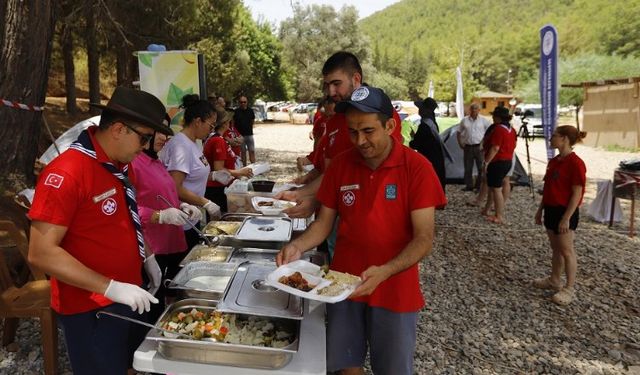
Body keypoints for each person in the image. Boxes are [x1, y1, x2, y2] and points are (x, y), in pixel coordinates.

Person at [277, 86, 446, 375]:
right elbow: (323, 224)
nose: (360, 140)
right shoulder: (342, 164)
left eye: (368, 131)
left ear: (390, 125)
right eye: (353, 132)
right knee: (345, 365)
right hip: (342, 286)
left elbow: (424, 238)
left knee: (393, 368)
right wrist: (298, 246)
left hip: (394, 288)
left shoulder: (416, 168)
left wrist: (386, 270)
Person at [27, 87, 171, 374]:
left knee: (127, 365)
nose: (146, 146)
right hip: (91, 305)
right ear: (118, 129)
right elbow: (41, 253)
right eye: (144, 137)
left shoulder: (119, 165)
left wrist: (147, 257)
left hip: (128, 292)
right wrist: (109, 286)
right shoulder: (68, 171)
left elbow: (124, 219)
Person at [278, 51, 403, 218]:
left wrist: (311, 196)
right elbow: (330, 173)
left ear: (356, 79)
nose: (331, 92)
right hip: (338, 213)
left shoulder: (381, 113)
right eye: (328, 85)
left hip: (375, 213)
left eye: (336, 84)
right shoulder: (335, 121)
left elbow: (382, 172)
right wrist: (300, 193)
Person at [130, 124, 202, 322]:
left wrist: (182, 205)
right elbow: (128, 208)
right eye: (159, 132)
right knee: (152, 305)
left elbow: (164, 195)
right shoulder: (133, 163)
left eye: (166, 132)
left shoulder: (156, 160)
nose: (164, 137)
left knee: (170, 297)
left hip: (171, 240)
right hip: (152, 246)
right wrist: (159, 215)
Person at [160, 94, 223, 249]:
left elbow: (192, 174)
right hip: (180, 222)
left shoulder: (193, 143)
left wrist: (213, 175)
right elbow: (175, 186)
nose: (211, 130)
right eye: (211, 125)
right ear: (197, 121)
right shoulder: (181, 146)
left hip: (191, 219)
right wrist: (206, 202)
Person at [533, 126, 587, 306]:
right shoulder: (555, 160)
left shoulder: (575, 163)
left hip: (565, 211)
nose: (551, 138)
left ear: (564, 139)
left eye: (554, 136)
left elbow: (577, 193)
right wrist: (541, 209)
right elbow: (548, 187)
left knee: (566, 250)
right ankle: (554, 279)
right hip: (550, 208)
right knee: (555, 248)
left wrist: (566, 218)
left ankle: (569, 288)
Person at [203, 107, 253, 212]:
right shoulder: (218, 141)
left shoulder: (219, 139)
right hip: (216, 188)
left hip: (220, 186)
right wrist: (240, 172)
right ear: (225, 123)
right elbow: (219, 169)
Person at [482, 106, 517, 224]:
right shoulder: (512, 130)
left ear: (498, 117)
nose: (492, 118)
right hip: (508, 160)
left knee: (496, 189)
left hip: (497, 162)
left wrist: (486, 162)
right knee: (493, 187)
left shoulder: (498, 129)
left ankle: (499, 215)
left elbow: (495, 147)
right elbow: (514, 145)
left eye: (494, 116)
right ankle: (486, 209)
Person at [410, 97, 447, 191]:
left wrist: (413, 138)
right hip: (435, 159)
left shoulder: (424, 126)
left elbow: (415, 144)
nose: (419, 110)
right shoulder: (432, 124)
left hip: (429, 160)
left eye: (420, 108)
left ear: (425, 110)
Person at [457, 103, 491, 191]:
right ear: (470, 110)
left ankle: (479, 186)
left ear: (479, 110)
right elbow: (458, 132)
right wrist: (460, 143)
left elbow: (490, 132)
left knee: (481, 168)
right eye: (472, 109)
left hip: (480, 147)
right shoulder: (464, 120)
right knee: (468, 167)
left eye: (476, 108)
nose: (474, 110)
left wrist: (484, 144)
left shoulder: (484, 120)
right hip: (468, 147)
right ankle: (469, 186)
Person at [233, 95, 256, 165]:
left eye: (244, 102)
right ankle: (244, 167)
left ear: (247, 102)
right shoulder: (236, 112)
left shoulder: (250, 111)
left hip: (249, 134)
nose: (243, 103)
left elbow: (252, 121)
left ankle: (254, 166)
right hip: (240, 136)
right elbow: (233, 123)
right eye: (241, 102)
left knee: (252, 151)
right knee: (242, 152)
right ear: (239, 103)